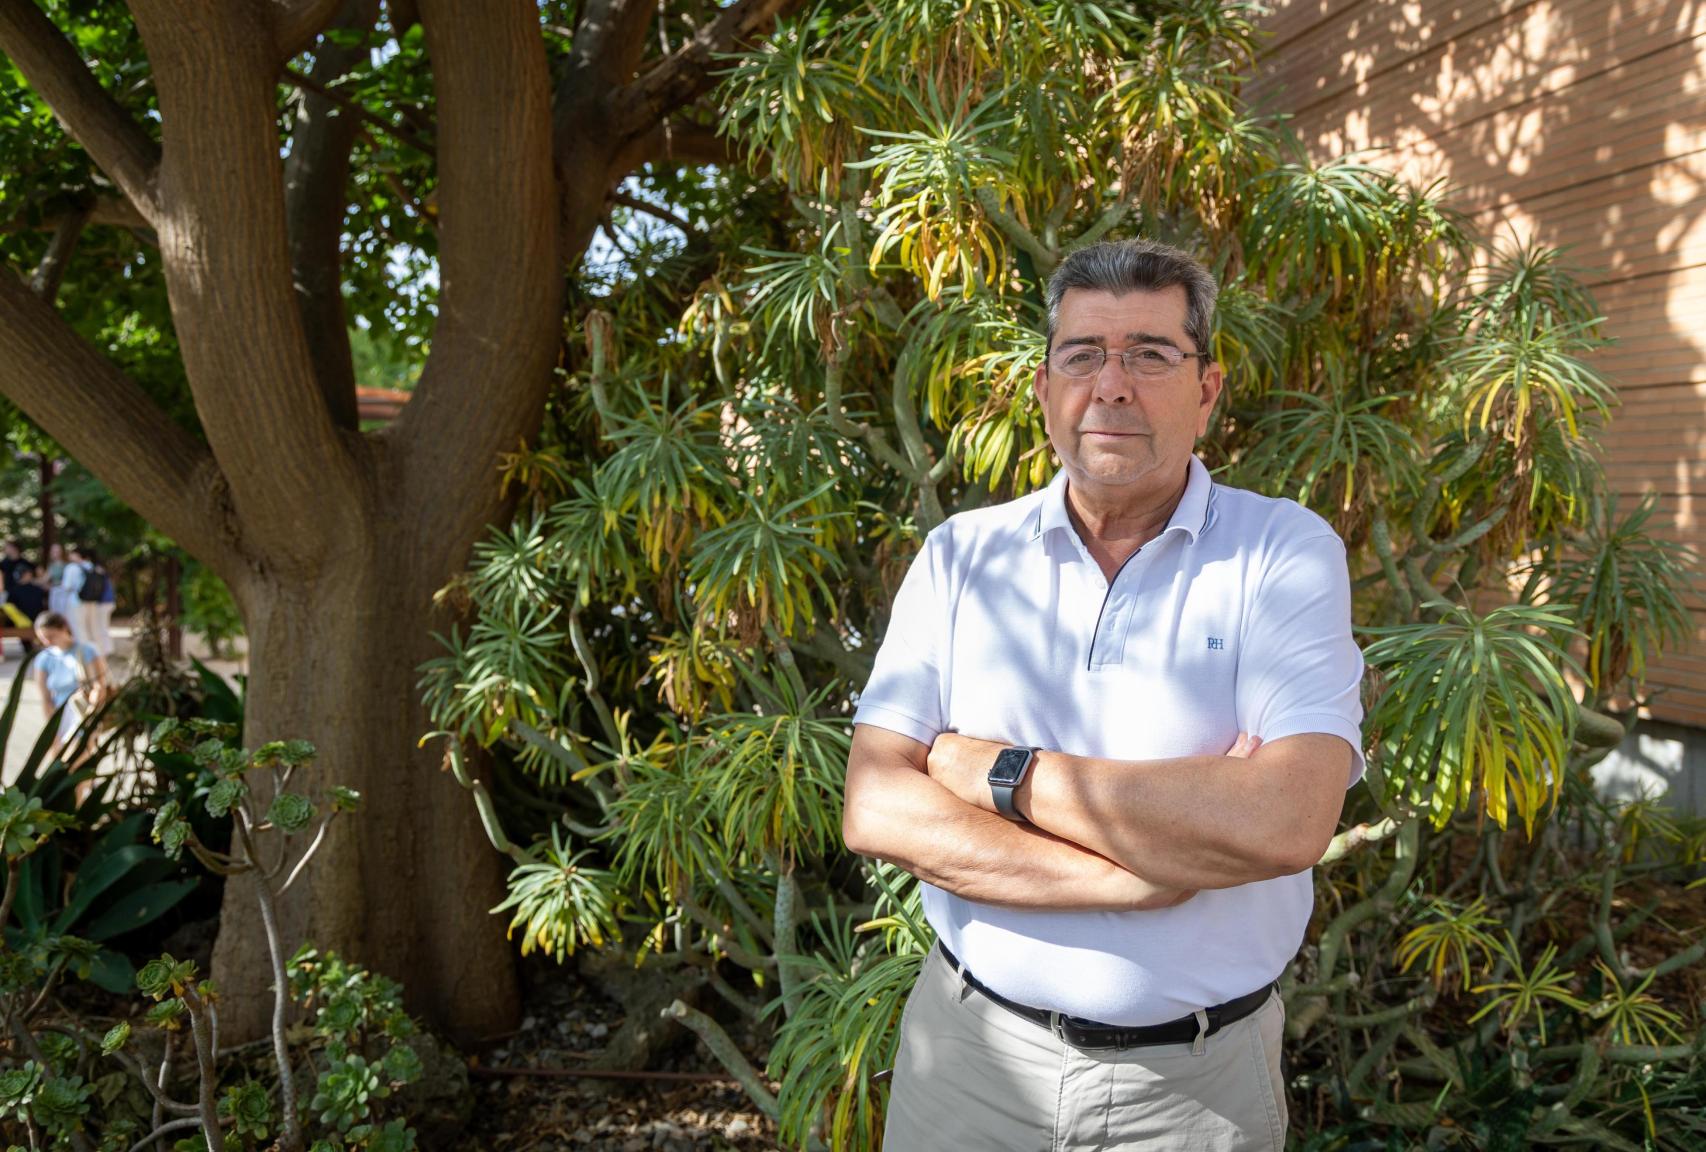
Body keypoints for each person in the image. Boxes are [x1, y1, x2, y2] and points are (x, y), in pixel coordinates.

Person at [842, 239, 1365, 1151]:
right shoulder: (963, 556)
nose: (1112, 384)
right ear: (1045, 388)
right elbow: (878, 807)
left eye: (1151, 354)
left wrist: (989, 770)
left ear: (1207, 391)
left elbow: (1287, 818)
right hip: (966, 1062)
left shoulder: (1282, 551)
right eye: (1083, 354)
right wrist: (1139, 878)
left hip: (1196, 1093)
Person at [31, 610, 111, 766]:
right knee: (59, 763)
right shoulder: (44, 659)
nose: (47, 642)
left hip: (82, 712)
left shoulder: (86, 651)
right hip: (59, 715)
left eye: (51, 636)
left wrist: (90, 712)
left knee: (77, 761)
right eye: (43, 638)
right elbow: (45, 698)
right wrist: (51, 727)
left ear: (64, 628)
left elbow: (99, 685)